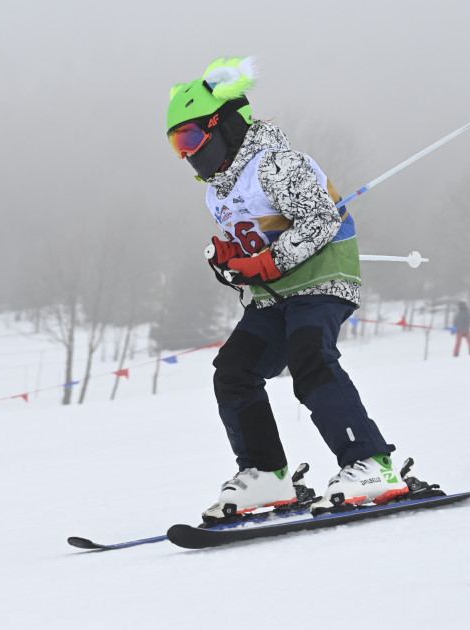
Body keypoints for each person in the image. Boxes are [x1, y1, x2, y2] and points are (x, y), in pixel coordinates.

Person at [166, 57, 409, 525]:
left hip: (322, 281)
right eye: (177, 144)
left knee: (308, 357)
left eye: (191, 138)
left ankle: (371, 462)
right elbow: (248, 249)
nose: (187, 153)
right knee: (233, 371)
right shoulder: (217, 191)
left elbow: (322, 219)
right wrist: (229, 263)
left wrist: (267, 261)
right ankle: (266, 473)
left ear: (225, 127)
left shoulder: (277, 164)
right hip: (273, 296)